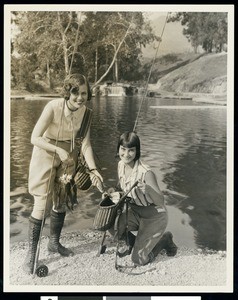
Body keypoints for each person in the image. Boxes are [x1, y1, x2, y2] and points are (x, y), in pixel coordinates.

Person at [23, 73, 103, 274]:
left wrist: (93, 169)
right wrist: (58, 150)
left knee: (61, 201)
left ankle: (54, 243)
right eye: (75, 92)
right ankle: (31, 256)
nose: (79, 97)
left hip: (69, 157)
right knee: (42, 203)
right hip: (46, 152)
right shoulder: (53, 107)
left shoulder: (86, 113)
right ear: (68, 92)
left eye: (84, 93)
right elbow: (34, 137)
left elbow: (86, 144)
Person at [107, 131, 177, 266]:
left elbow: (160, 201)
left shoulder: (146, 172)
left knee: (138, 260)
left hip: (154, 216)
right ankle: (139, 242)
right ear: (118, 149)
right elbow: (121, 187)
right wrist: (112, 191)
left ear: (137, 151)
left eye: (131, 150)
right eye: (123, 149)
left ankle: (164, 240)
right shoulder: (120, 164)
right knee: (112, 227)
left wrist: (149, 190)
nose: (126, 154)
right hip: (135, 212)